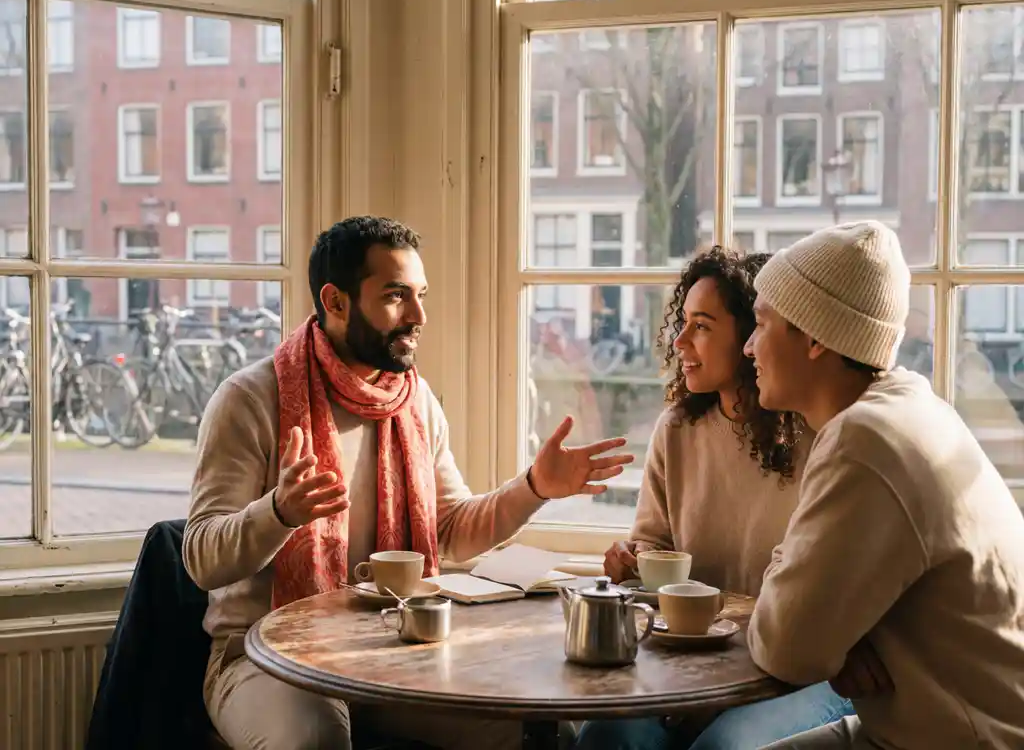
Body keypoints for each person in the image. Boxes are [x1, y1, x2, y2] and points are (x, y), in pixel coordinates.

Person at [184, 215, 634, 750]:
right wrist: (279, 512)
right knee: (314, 742)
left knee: (540, 732)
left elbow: (450, 531)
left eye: (420, 295)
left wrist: (534, 486)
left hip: (395, 648)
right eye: (397, 296)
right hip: (267, 657)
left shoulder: (414, 402)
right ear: (335, 301)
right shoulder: (250, 400)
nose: (418, 315)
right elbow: (201, 559)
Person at [743, 221, 1024, 749]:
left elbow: (787, 649)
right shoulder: (912, 406)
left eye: (762, 324)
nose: (749, 348)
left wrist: (819, 632)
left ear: (815, 337)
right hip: (930, 724)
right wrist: (837, 639)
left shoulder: (864, 441)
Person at [575, 247, 853, 750]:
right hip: (694, 662)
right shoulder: (677, 430)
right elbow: (652, 546)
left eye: (701, 326)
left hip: (798, 671)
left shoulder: (822, 435)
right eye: (682, 324)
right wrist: (630, 560)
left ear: (752, 335)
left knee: (724, 748)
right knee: (607, 735)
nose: (680, 341)